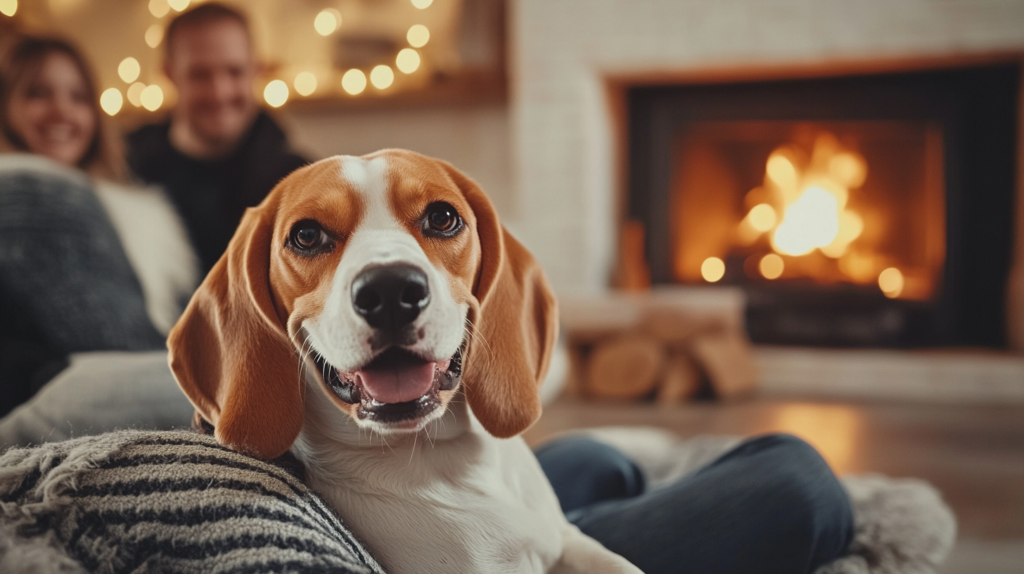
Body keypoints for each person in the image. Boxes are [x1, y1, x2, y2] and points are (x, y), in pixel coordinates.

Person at [0, 35, 195, 416]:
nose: (61, 111)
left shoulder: (134, 208)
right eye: (38, 93)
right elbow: (113, 342)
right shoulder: (26, 195)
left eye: (78, 97)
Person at [127, 2, 309, 274]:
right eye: (200, 75)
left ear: (255, 70)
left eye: (234, 71)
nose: (219, 92)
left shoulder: (300, 182)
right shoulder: (126, 176)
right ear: (169, 74)